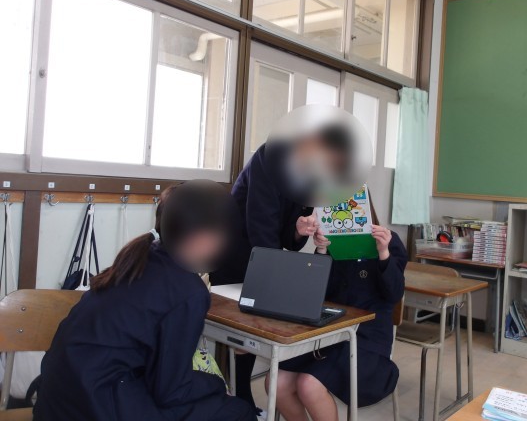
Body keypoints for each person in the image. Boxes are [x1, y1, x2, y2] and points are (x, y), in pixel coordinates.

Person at [33, 180, 255, 421]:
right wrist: (215, 384)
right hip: (95, 402)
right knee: (238, 411)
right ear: (204, 239)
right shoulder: (188, 291)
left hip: (56, 400)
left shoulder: (139, 258)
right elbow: (171, 391)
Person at [210, 123, 357, 417]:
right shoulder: (270, 156)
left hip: (266, 255)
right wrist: (277, 275)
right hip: (236, 252)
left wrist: (299, 230)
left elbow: (292, 233)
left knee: (250, 335)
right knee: (238, 335)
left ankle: (239, 401)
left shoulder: (312, 175)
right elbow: (260, 224)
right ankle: (236, 401)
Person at [270, 203, 407, 421]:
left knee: (308, 385)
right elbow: (315, 292)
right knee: (276, 383)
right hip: (329, 334)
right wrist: (322, 251)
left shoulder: (390, 240)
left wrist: (383, 253)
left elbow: (394, 293)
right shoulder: (333, 242)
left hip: (367, 341)